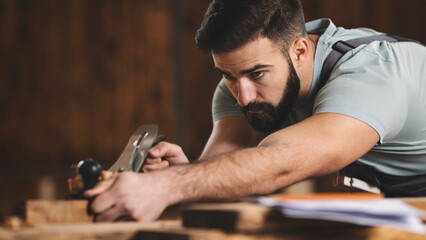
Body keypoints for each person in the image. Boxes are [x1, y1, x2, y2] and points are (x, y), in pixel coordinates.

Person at [85, 0, 426, 222]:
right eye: (228, 75)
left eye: (257, 73)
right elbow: (227, 170)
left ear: (300, 51)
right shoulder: (239, 86)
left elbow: (280, 163)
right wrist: (187, 175)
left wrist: (170, 186)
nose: (243, 96)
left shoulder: (370, 76)